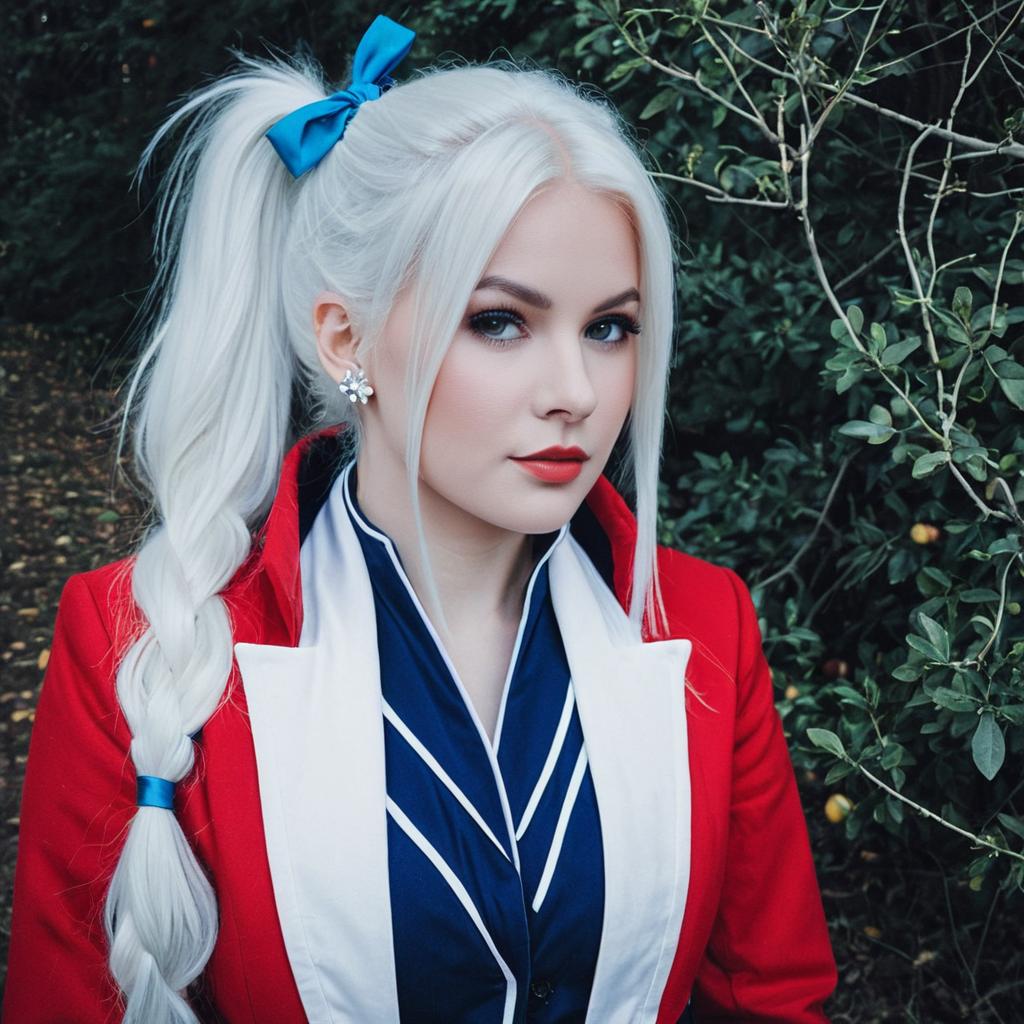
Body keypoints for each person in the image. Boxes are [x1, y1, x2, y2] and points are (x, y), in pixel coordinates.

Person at [3, 13, 837, 1024]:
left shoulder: (704, 626)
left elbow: (773, 997)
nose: (575, 389)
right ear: (344, 337)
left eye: (610, 327)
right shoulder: (137, 638)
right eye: (500, 321)